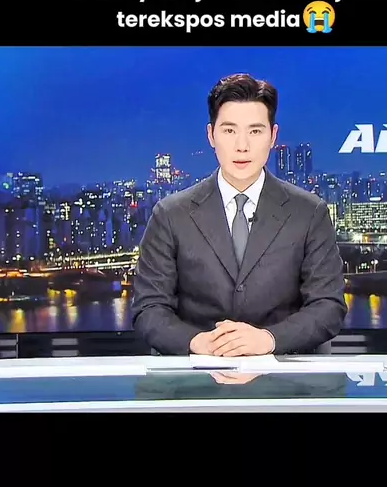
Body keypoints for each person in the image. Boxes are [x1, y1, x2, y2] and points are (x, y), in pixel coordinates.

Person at [131, 73, 347, 356]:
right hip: (196, 373)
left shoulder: (309, 213)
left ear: (273, 136)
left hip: (284, 372)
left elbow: (328, 306)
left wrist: (268, 339)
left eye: (255, 131)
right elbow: (148, 308)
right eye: (229, 131)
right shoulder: (171, 215)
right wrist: (198, 342)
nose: (242, 146)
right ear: (211, 135)